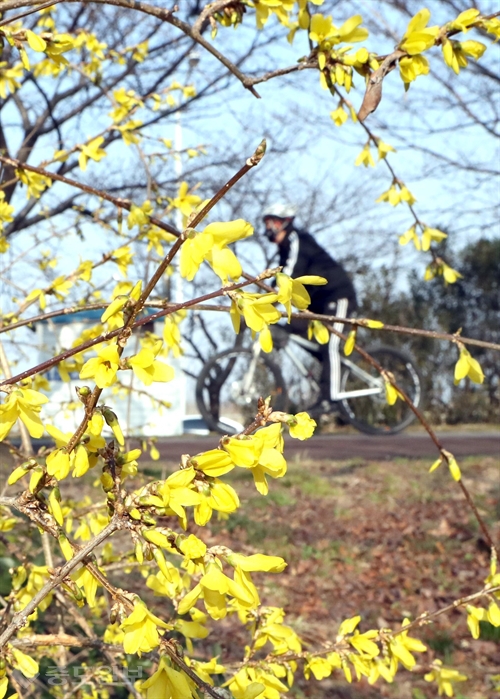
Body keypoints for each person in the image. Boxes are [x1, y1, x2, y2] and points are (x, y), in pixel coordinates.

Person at [263, 202, 358, 413]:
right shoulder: (284, 249)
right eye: (267, 222)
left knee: (331, 345)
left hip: (337, 295)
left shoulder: (296, 240)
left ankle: (330, 400)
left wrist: (263, 304)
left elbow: (287, 276)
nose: (269, 227)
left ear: (286, 222)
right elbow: (282, 282)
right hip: (316, 306)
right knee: (289, 328)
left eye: (274, 221)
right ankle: (330, 372)